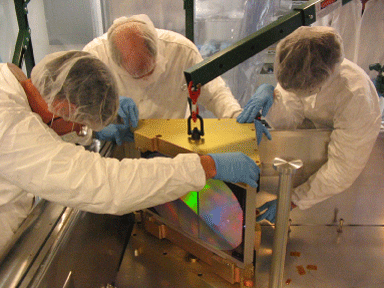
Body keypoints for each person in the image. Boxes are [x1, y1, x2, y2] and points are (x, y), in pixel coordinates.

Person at [0, 51, 260, 253]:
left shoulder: (15, 94)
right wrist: (204, 166)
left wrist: (94, 132)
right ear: (60, 105)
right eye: (81, 124)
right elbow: (104, 184)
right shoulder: (9, 125)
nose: (80, 131)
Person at [237, 26, 381, 223]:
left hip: (340, 190)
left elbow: (342, 169)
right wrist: (271, 99)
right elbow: (288, 121)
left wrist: (292, 201)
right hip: (309, 159)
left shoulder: (355, 94)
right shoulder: (296, 67)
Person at [83, 14, 243, 145]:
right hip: (123, 143)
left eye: (150, 71)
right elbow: (74, 112)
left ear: (157, 50)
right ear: (116, 64)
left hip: (175, 140)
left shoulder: (181, 51)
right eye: (136, 76)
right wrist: (94, 130)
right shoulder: (95, 58)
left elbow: (215, 93)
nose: (145, 81)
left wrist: (237, 117)